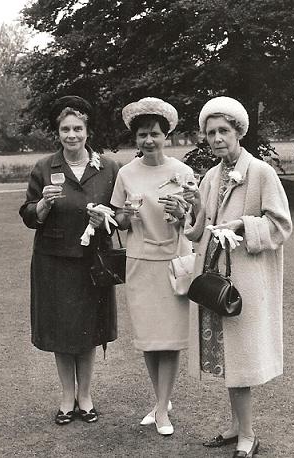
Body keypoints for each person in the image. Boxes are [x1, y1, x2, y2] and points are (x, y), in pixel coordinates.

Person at [183, 96, 292, 457]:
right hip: (216, 280)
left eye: (223, 131)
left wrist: (242, 226)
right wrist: (191, 210)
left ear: (238, 132)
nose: (216, 138)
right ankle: (234, 427)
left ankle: (248, 435)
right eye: (211, 132)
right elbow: (200, 231)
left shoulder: (260, 172)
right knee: (228, 356)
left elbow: (281, 225)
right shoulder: (212, 175)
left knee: (242, 359)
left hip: (247, 281)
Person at [19, 95, 119, 425]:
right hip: (54, 262)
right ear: (58, 133)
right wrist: (43, 206)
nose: (71, 135)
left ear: (88, 131)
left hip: (93, 263)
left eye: (78, 128)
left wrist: (115, 214)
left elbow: (118, 215)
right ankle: (66, 397)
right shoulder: (45, 168)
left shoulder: (107, 168)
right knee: (62, 332)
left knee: (88, 331)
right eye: (65, 129)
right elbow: (29, 215)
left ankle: (86, 396)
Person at [111, 97, 195, 436]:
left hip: (174, 262)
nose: (149, 140)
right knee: (148, 339)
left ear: (167, 135)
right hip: (140, 263)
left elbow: (195, 220)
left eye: (155, 134)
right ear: (135, 138)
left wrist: (182, 214)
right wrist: (125, 217)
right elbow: (117, 220)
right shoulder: (126, 173)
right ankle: (162, 402)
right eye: (142, 134)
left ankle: (162, 408)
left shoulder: (182, 173)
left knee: (170, 339)